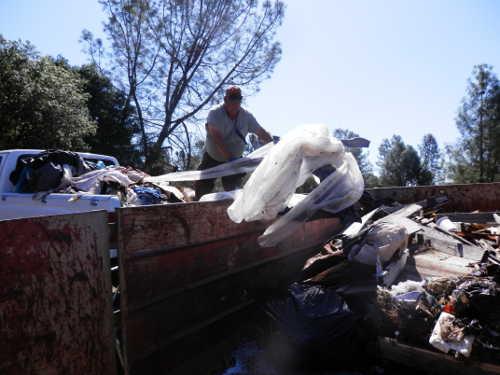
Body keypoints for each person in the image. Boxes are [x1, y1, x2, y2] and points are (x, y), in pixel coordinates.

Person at [194, 86, 272, 200]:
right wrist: (230, 159)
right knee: (202, 187)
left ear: (241, 100)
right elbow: (217, 139)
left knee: (233, 192)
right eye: (232, 98)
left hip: (235, 159)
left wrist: (274, 144)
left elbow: (261, 132)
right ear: (225, 99)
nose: (235, 102)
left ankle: (233, 213)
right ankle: (197, 209)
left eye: (238, 99)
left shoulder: (247, 116)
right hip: (212, 157)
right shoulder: (215, 113)